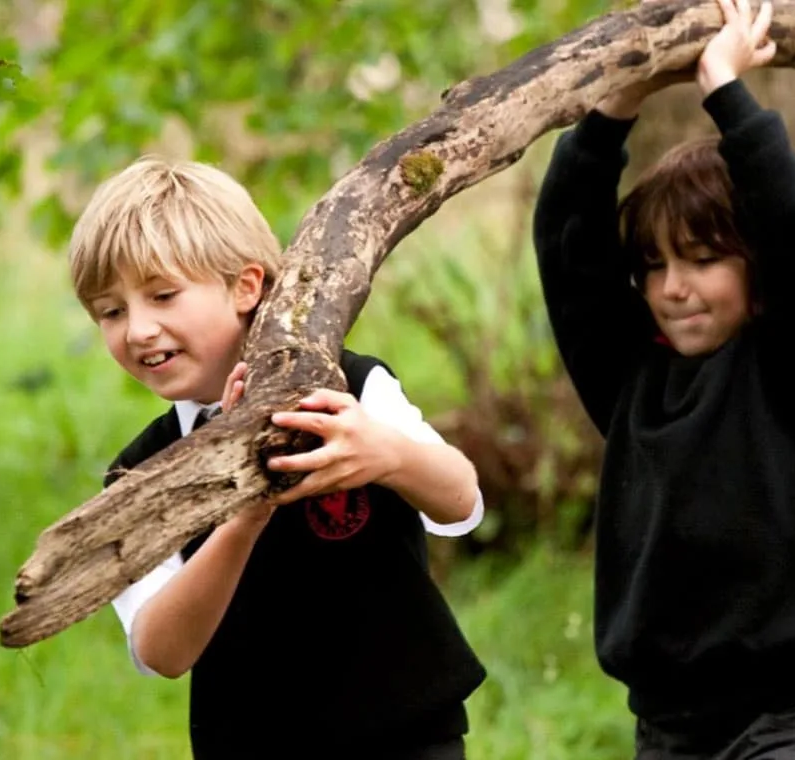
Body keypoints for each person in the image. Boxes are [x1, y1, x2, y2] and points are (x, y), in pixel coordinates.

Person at [532, 0, 795, 756]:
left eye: (702, 258)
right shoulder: (632, 380)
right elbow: (568, 247)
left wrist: (725, 90)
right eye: (653, 265)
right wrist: (618, 98)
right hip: (668, 729)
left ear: (758, 264)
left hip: (788, 721)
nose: (673, 287)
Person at [68, 156, 486, 759]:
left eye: (163, 295)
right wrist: (243, 516)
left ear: (245, 286)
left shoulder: (350, 390)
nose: (138, 329)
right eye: (111, 311)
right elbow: (161, 653)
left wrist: (387, 453)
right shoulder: (139, 475)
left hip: (410, 734)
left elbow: (461, 503)